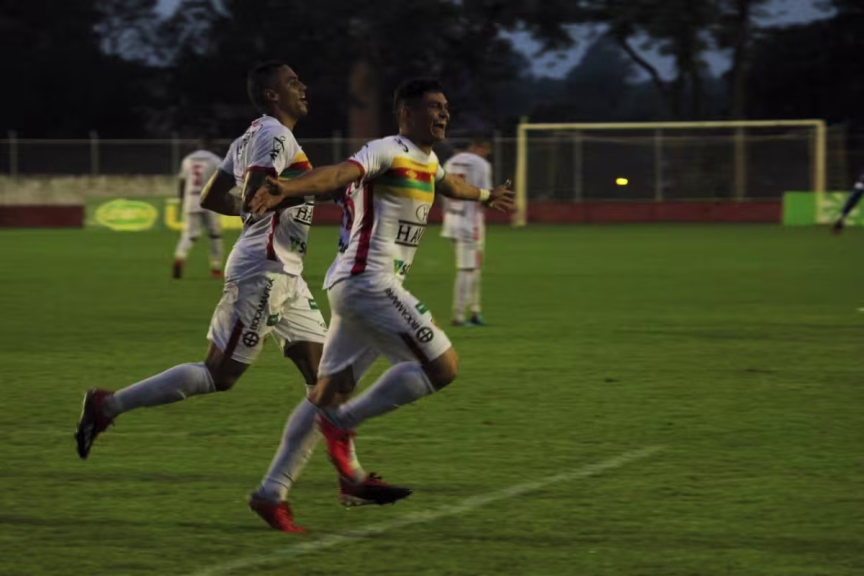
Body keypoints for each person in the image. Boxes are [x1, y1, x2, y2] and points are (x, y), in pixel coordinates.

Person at [74, 63, 373, 532]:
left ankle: (326, 483)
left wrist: (267, 206)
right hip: (263, 272)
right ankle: (105, 405)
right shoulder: (273, 134)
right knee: (219, 374)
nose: (303, 87)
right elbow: (255, 191)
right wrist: (309, 192)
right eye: (293, 83)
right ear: (272, 96)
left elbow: (214, 196)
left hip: (286, 274)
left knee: (327, 380)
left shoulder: (251, 134)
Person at [244, 77, 514, 532]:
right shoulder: (386, 150)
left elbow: (450, 185)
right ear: (407, 113)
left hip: (356, 286)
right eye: (434, 107)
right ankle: (344, 425)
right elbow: (338, 174)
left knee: (325, 394)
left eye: (446, 107)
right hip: (370, 281)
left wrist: (487, 196)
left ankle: (272, 493)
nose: (444, 114)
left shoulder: (428, 161)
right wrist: (286, 189)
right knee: (441, 366)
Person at [442, 137, 492, 326]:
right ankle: (459, 315)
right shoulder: (481, 164)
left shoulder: (449, 163)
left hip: (451, 219)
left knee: (473, 266)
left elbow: (442, 192)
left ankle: (475, 311)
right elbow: (486, 196)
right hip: (470, 222)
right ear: (479, 147)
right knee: (468, 268)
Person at [173, 140, 225, 279]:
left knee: (190, 235)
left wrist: (182, 200)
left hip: (190, 199)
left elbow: (182, 182)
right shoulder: (215, 160)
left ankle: (180, 256)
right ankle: (215, 268)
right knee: (215, 235)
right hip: (209, 200)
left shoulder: (187, 160)